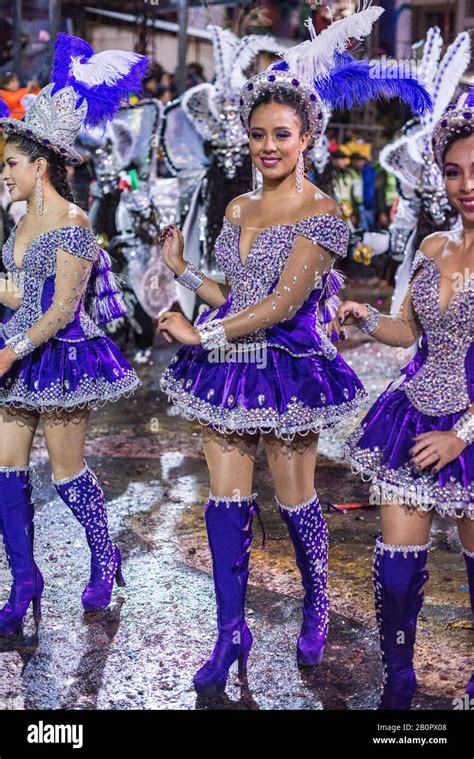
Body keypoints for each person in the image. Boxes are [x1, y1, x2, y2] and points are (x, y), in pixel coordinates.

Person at [157, 6, 431, 696]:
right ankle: (229, 633)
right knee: (224, 501)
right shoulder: (236, 210)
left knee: (294, 498)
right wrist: (185, 273)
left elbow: (281, 303)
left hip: (288, 369)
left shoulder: (322, 214)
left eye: (281, 134)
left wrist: (203, 333)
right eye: (257, 135)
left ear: (308, 135)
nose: (267, 146)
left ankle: (316, 601)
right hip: (226, 368)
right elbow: (233, 289)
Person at [0, 33, 148, 636]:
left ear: (40, 165)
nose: (4, 173)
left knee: (65, 475)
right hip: (15, 352)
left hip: (58, 358)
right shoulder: (17, 219)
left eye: (10, 163)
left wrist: (10, 349)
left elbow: (62, 309)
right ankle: (24, 579)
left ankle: (104, 555)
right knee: (5, 471)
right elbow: (17, 293)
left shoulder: (74, 221)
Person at [335, 86, 474, 709]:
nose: (466, 184)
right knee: (395, 574)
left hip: (468, 431)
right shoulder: (431, 247)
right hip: (411, 417)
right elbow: (407, 331)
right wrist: (365, 318)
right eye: (454, 171)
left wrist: (459, 437)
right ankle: (398, 682)